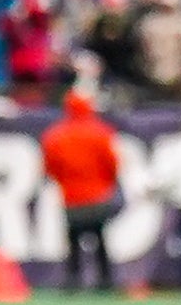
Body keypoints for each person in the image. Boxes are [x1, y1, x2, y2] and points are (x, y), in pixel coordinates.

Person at [39, 87, 123, 293]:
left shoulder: (56, 135)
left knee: (73, 242)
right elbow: (112, 163)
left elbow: (50, 167)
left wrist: (65, 183)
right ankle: (105, 280)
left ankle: (73, 279)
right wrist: (105, 185)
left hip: (71, 197)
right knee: (100, 239)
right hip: (98, 196)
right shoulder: (102, 132)